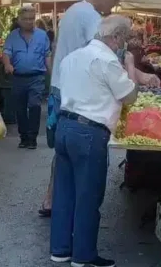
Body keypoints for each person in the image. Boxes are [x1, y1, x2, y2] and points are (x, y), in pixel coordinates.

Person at [50, 15, 138, 267]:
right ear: (116, 37)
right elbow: (129, 96)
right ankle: (83, 255)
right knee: (88, 196)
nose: (124, 44)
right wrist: (130, 66)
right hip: (89, 131)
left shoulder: (72, 57)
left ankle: (60, 250)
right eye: (124, 39)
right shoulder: (107, 60)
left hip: (65, 126)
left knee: (64, 193)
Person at [40, 0, 127, 217]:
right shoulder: (91, 17)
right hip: (73, 90)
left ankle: (51, 198)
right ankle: (61, 201)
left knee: (62, 148)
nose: (116, 4)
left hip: (61, 85)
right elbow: (102, 55)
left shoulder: (73, 10)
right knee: (73, 148)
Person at [3, 6, 51, 149]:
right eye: (25, 19)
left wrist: (52, 73)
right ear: (19, 20)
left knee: (35, 105)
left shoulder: (42, 35)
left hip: (36, 77)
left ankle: (32, 137)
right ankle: (23, 136)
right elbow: (6, 53)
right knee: (20, 108)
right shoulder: (12, 36)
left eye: (31, 18)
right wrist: (7, 65)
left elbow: (47, 55)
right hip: (18, 77)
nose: (29, 22)